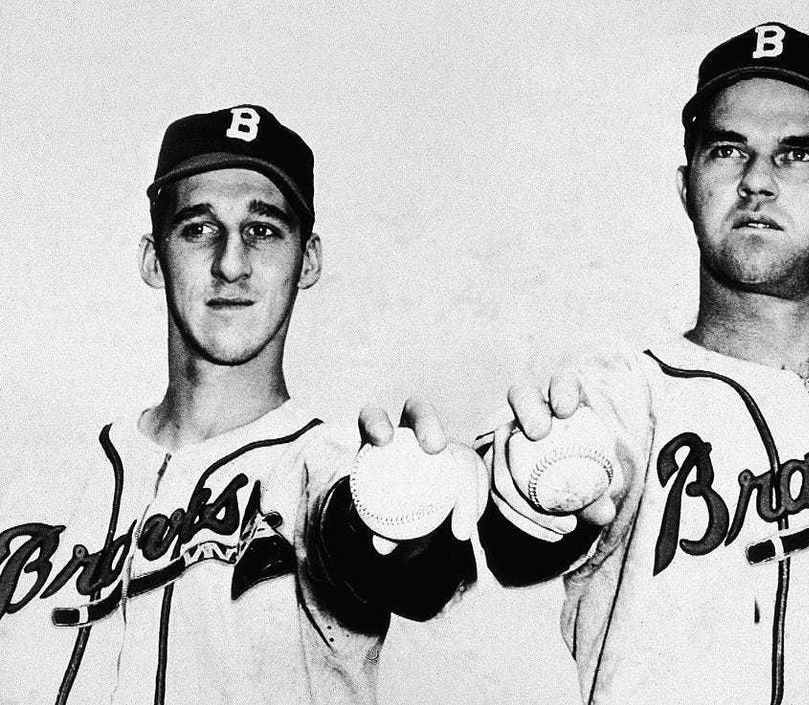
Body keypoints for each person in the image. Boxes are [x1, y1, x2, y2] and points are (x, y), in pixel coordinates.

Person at [479, 22, 809, 705]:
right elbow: (508, 539)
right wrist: (514, 507)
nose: (756, 181)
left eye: (797, 155)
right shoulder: (620, 401)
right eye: (727, 150)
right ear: (688, 187)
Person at [0, 105, 484, 705]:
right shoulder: (39, 488)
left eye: (263, 230)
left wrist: (414, 522)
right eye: (199, 229)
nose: (231, 264)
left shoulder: (333, 474)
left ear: (308, 260)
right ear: (154, 259)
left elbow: (405, 568)